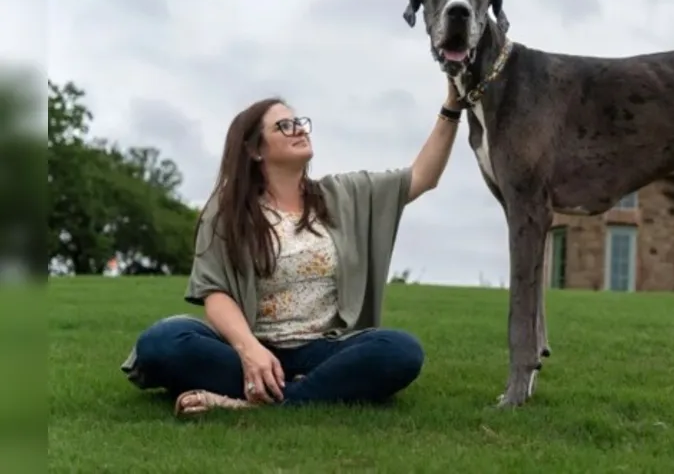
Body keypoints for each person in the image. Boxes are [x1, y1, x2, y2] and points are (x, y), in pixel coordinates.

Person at [119, 82, 464, 416]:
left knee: (401, 351)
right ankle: (303, 390)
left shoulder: (343, 195)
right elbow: (215, 292)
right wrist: (250, 350)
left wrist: (452, 107)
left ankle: (259, 401)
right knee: (161, 342)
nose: (298, 129)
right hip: (250, 349)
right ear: (255, 150)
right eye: (283, 126)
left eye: (299, 122)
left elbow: (422, 176)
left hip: (323, 350)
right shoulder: (227, 210)